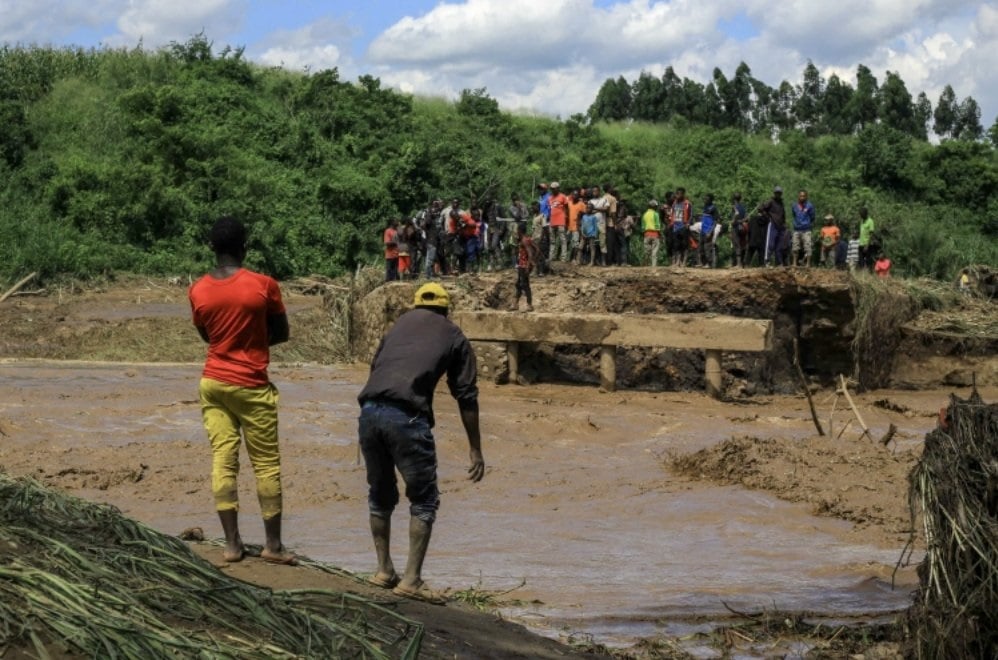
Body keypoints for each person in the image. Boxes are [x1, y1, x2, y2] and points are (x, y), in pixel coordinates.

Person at [357, 282, 485, 604]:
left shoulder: (397, 327)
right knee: (424, 499)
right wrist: (475, 449)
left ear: (415, 306)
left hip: (369, 411)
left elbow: (376, 369)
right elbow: (466, 395)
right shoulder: (454, 336)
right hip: (407, 416)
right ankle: (412, 579)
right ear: (446, 309)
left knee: (380, 494)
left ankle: (384, 570)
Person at [188, 216, 295, 566]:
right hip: (250, 383)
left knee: (223, 459)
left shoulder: (198, 290)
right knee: (265, 464)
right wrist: (253, 337)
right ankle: (273, 546)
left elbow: (208, 337)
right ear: (245, 247)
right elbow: (281, 333)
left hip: (213, 382)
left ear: (211, 248)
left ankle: (232, 545)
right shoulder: (264, 285)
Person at [512, 222, 539, 312]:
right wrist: (532, 262)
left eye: (517, 231)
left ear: (520, 231)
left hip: (524, 266)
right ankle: (515, 304)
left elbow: (530, 253)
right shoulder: (527, 239)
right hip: (522, 265)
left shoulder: (524, 240)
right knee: (519, 284)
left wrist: (528, 265)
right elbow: (537, 249)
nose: (516, 232)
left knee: (525, 284)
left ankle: (529, 305)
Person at [758, 186, 787, 267]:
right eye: (776, 193)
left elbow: (783, 214)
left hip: (780, 226)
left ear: (781, 194)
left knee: (779, 245)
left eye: (779, 193)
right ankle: (767, 261)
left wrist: (784, 223)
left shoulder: (781, 203)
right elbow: (761, 208)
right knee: (770, 244)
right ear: (774, 193)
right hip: (773, 224)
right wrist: (767, 217)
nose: (778, 194)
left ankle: (779, 263)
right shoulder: (771, 201)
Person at [790, 190, 816, 267]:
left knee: (807, 246)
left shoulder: (809, 206)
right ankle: (794, 263)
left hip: (806, 229)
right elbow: (794, 215)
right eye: (801, 196)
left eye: (804, 196)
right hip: (797, 229)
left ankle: (808, 264)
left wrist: (807, 223)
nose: (802, 197)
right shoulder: (794, 205)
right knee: (795, 246)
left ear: (806, 197)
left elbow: (812, 217)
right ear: (798, 196)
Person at [669, 188, 692, 268]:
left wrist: (688, 223)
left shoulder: (687, 203)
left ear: (683, 194)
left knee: (684, 245)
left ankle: (684, 261)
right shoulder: (674, 203)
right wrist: (671, 223)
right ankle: (677, 261)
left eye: (679, 194)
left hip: (683, 226)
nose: (677, 195)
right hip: (676, 226)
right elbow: (672, 214)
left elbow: (691, 214)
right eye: (676, 193)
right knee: (676, 245)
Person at [547, 182, 569, 263]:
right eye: (551, 189)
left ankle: (563, 258)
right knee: (552, 240)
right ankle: (551, 257)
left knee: (562, 240)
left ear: (558, 188)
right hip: (552, 221)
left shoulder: (563, 196)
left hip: (561, 221)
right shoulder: (549, 198)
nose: (552, 190)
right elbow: (550, 209)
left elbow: (567, 208)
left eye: (554, 188)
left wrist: (566, 219)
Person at [698, 194, 719, 268]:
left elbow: (715, 221)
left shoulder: (713, 208)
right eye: (705, 199)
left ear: (711, 200)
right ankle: (703, 263)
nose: (705, 200)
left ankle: (709, 263)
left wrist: (710, 231)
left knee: (707, 248)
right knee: (701, 247)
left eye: (707, 199)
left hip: (708, 230)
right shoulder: (705, 207)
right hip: (702, 230)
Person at [641, 199, 662, 267]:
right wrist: (660, 235)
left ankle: (646, 265)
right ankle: (653, 266)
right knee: (654, 252)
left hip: (647, 234)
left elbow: (643, 227)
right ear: (654, 207)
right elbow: (657, 225)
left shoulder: (644, 214)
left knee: (647, 252)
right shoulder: (656, 214)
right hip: (655, 234)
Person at [730, 193, 748, 268]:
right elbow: (747, 218)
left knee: (737, 245)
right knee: (742, 244)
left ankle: (738, 264)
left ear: (734, 199)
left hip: (736, 227)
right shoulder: (743, 208)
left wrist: (733, 221)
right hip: (743, 228)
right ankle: (742, 263)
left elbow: (736, 215)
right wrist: (742, 220)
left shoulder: (734, 207)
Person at [581, 202, 599, 266]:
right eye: (587, 208)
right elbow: (582, 225)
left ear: (592, 209)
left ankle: (592, 262)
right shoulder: (584, 216)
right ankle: (580, 260)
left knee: (592, 248)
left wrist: (595, 234)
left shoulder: (593, 217)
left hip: (591, 234)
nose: (588, 209)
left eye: (589, 208)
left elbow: (595, 227)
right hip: (584, 234)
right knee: (581, 247)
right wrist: (582, 233)